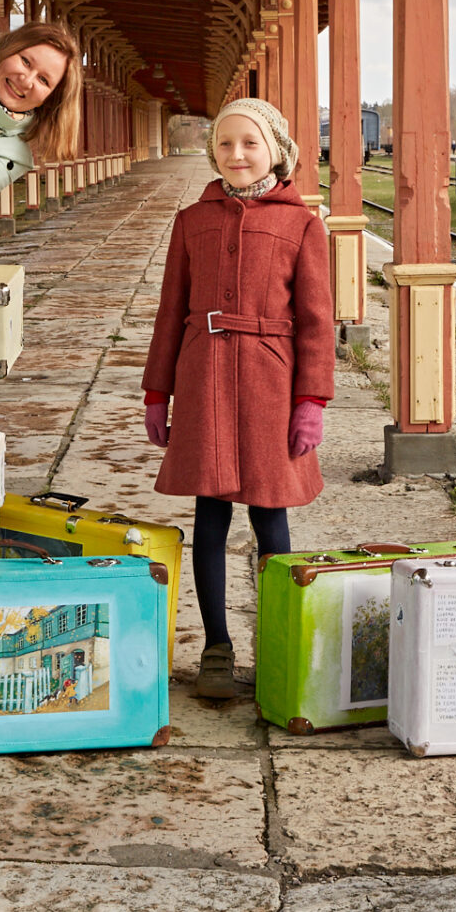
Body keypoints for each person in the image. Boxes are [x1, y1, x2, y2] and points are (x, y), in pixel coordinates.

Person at [141, 98, 335, 700]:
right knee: (209, 515)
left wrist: (312, 400)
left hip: (270, 384)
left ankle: (280, 641)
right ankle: (217, 646)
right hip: (203, 378)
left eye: (249, 143)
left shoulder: (303, 225)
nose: (237, 155)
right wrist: (157, 392)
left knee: (270, 513)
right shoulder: (190, 222)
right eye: (225, 144)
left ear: (276, 148)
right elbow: (170, 312)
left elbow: (316, 321)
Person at [0, 22, 82, 194]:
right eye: (26, 62)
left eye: (43, 80)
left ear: (48, 100)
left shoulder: (12, 157)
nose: (26, 81)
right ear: (6, 50)